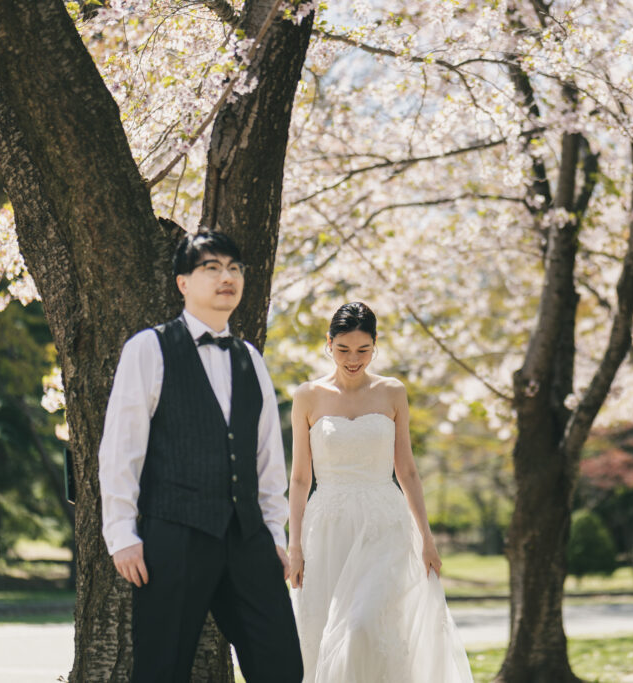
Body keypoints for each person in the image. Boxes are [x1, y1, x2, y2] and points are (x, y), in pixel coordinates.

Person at [98, 229, 302, 683]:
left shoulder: (251, 357)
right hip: (174, 534)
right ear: (183, 282)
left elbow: (267, 455)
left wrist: (273, 532)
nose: (226, 277)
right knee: (160, 670)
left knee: (283, 667)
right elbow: (121, 447)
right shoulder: (148, 348)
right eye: (211, 268)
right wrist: (121, 533)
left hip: (248, 539)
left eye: (234, 268)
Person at [288, 302, 473, 682]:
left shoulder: (392, 392)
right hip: (327, 527)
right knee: (323, 631)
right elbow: (300, 479)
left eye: (363, 350)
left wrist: (427, 538)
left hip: (384, 524)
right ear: (329, 343)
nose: (353, 360)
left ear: (375, 345)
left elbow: (406, 469)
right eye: (343, 349)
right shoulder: (308, 396)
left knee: (363, 625)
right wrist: (295, 545)